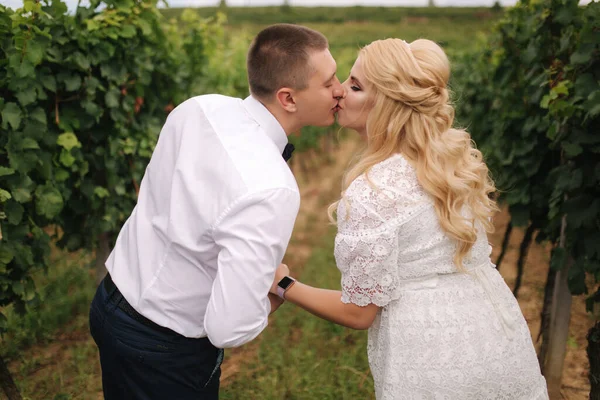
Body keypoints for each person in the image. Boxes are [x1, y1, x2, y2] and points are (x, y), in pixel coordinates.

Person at [270, 38, 549, 399]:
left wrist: (285, 284)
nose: (339, 92)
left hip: (428, 353)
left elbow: (358, 313)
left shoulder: (373, 190)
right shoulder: (452, 165)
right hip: (494, 334)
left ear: (385, 103)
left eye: (355, 86)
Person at [88, 23, 344, 400]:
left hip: (111, 302)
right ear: (288, 98)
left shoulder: (198, 107)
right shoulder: (271, 188)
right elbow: (229, 328)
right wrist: (274, 293)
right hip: (165, 351)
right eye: (329, 82)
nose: (339, 88)